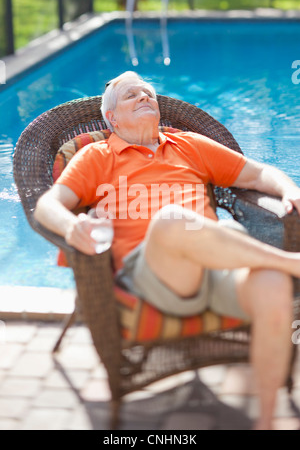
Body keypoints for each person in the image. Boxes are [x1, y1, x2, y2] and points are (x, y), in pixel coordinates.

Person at [34, 71, 300, 430]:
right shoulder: (96, 157)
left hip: (217, 269)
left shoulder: (188, 145)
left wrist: (289, 189)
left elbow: (256, 175)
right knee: (174, 221)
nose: (145, 97)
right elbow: (48, 206)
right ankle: (291, 263)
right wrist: (71, 225)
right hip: (154, 277)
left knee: (271, 283)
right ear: (112, 118)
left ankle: (265, 422)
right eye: (132, 95)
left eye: (149, 94)